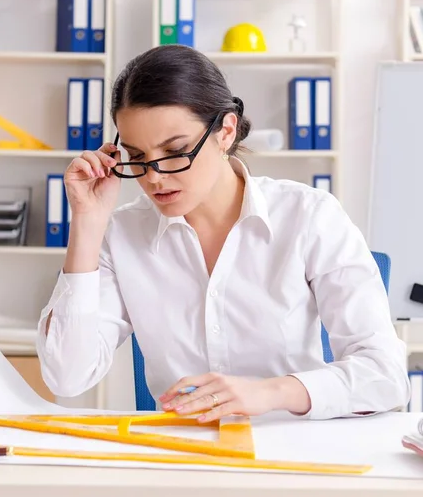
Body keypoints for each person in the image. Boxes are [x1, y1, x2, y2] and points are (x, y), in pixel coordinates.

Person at [36, 44, 410, 421]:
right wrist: (86, 222)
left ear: (226, 131)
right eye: (136, 156)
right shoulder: (121, 235)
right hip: (188, 458)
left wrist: (270, 392)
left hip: (293, 453)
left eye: (176, 150)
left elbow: (385, 374)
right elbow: (67, 378)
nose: (153, 177)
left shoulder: (309, 217)